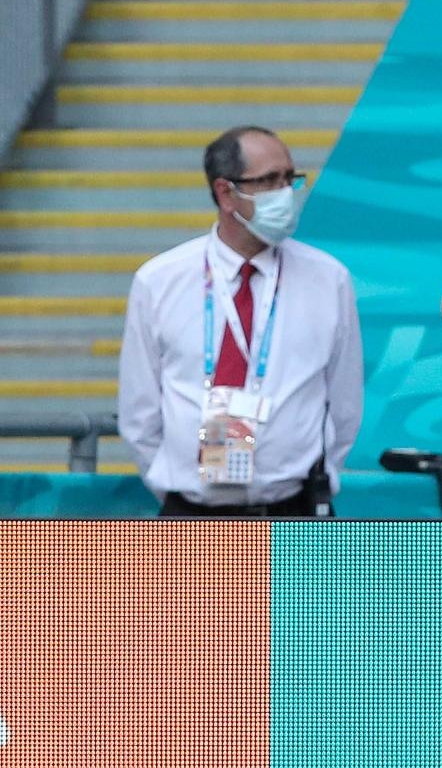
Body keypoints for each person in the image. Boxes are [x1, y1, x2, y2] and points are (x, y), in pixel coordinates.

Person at [118, 125, 363, 517]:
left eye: (289, 178)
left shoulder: (328, 279)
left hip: (293, 510)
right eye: (268, 181)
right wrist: (174, 485)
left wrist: (317, 480)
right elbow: (139, 411)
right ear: (225, 193)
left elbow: (344, 404)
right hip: (192, 515)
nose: (285, 193)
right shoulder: (159, 280)